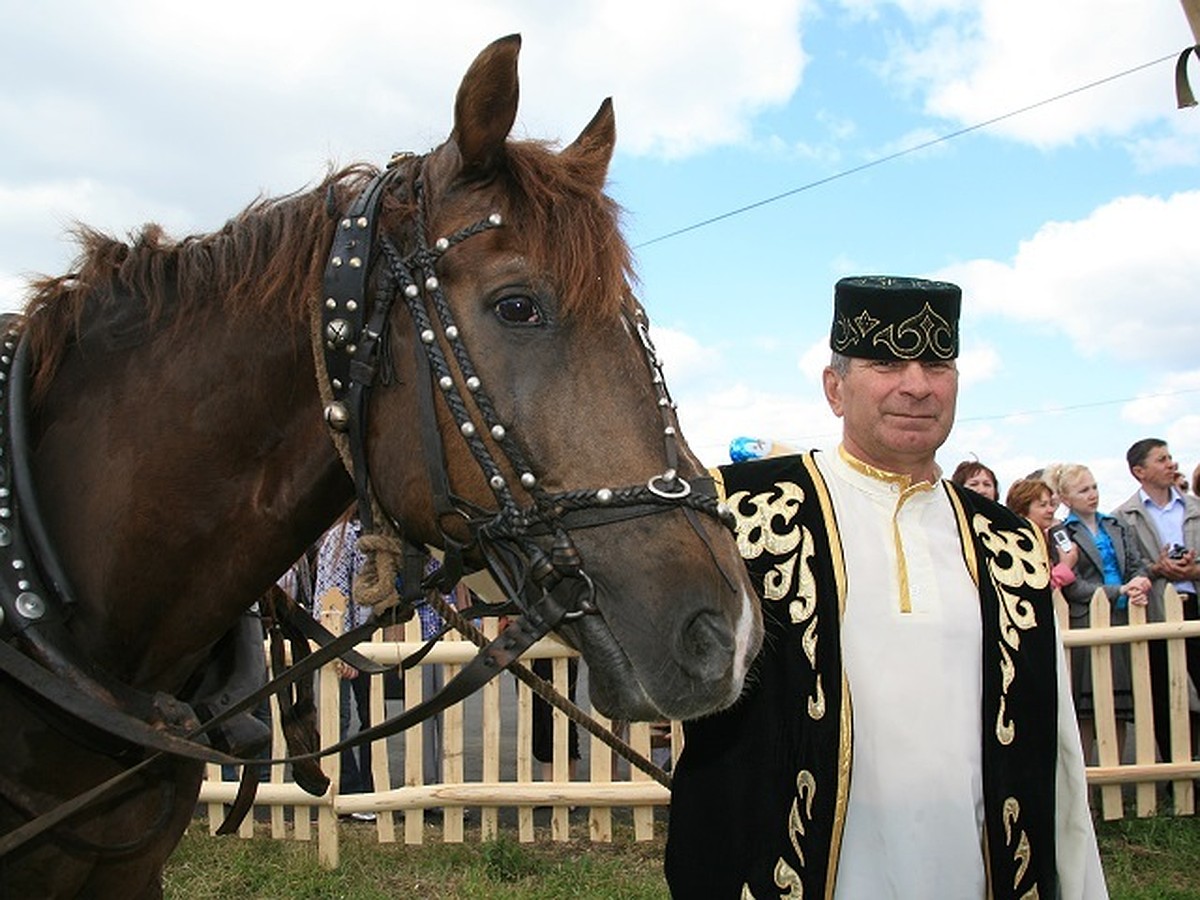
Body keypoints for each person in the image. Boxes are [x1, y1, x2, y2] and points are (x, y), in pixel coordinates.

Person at [665, 276, 1105, 899]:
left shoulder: (1008, 543)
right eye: (885, 361)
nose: (917, 385)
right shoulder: (741, 513)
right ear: (834, 387)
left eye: (937, 363)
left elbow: (1052, 744)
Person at [1046, 463, 1150, 766]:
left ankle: (1116, 768)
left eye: (1094, 487)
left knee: (1120, 703)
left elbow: (1137, 565)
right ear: (1065, 497)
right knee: (1088, 706)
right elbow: (1073, 586)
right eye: (1083, 490)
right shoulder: (1062, 532)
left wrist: (1140, 581)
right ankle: (1088, 783)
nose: (1092, 495)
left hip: (1124, 619)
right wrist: (1119, 591)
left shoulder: (1117, 525)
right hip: (1087, 619)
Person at [1113, 438, 1200, 760]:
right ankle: (1177, 771)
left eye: (1171, 457)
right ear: (1140, 471)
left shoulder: (1195, 509)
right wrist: (1157, 567)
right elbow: (1128, 569)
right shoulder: (1123, 517)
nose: (1171, 464)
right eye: (1161, 459)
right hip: (1157, 615)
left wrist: (1194, 569)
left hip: (1195, 608)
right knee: (1166, 697)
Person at [313, 516, 378, 821]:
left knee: (371, 718)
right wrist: (342, 648)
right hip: (345, 639)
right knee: (338, 720)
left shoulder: (374, 536)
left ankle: (367, 787)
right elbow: (333, 592)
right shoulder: (341, 537)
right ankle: (348, 789)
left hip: (366, 639)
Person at [1006, 477, 1078, 591]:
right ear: (1022, 511)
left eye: (1051, 504)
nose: (1051, 510)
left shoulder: (1046, 537)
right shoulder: (1017, 544)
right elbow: (1036, 588)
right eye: (1043, 505)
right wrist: (1065, 566)